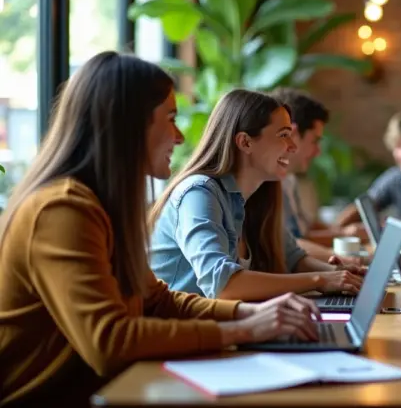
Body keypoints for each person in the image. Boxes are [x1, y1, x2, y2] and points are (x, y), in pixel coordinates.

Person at [0, 53, 320, 406]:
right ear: (128, 124)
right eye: (170, 118)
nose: (180, 136)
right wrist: (244, 329)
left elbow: (157, 301)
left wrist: (251, 312)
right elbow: (110, 342)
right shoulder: (62, 209)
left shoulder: (103, 206)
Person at [149, 89, 364, 303]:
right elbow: (223, 285)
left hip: (228, 329)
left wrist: (339, 274)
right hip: (184, 332)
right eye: (283, 135)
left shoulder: (256, 195)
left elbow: (293, 258)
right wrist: (320, 280)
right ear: (245, 142)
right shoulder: (198, 194)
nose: (292, 146)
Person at [269, 87, 357, 263]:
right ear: (293, 134)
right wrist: (350, 261)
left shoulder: (288, 180)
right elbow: (290, 244)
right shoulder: (265, 181)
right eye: (314, 141)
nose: (317, 152)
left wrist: (343, 235)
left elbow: (302, 233)